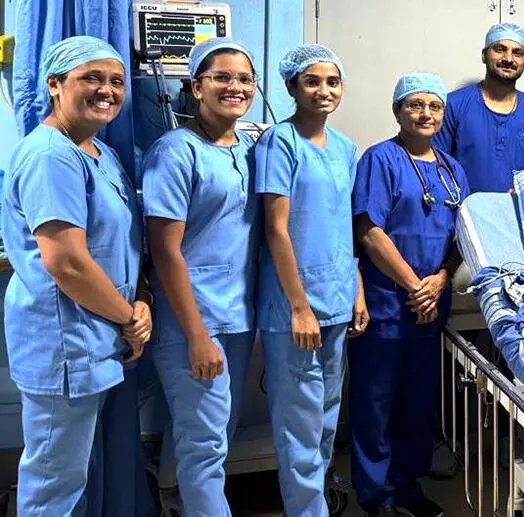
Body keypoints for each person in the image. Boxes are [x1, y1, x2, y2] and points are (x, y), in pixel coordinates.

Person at [3, 35, 153, 517]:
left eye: (116, 81)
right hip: (64, 342)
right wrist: (128, 317)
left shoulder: (99, 153)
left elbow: (122, 246)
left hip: (98, 334)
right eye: (91, 78)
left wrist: (141, 299)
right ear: (54, 84)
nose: (107, 90)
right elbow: (66, 263)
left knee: (78, 477)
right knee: (55, 486)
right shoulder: (50, 155)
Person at [141, 37, 260, 516]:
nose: (235, 87)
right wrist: (195, 334)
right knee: (206, 444)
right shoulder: (174, 152)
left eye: (245, 79)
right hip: (194, 318)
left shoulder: (250, 148)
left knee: (215, 432)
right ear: (196, 87)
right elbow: (164, 250)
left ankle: (175, 498)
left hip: (238, 314)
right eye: (222, 77)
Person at [255, 43, 370, 516]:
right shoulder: (278, 143)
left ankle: (316, 502)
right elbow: (276, 229)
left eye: (333, 81)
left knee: (325, 418)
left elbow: (342, 225)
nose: (324, 90)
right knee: (299, 425)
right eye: (312, 81)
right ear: (292, 87)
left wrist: (356, 290)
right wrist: (299, 306)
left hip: (337, 297)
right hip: (295, 305)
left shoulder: (345, 148)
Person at [350, 72, 470, 517]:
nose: (425, 114)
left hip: (430, 306)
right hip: (387, 305)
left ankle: (406, 488)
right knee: (375, 403)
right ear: (397, 111)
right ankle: (376, 497)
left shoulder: (452, 169)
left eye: (434, 106)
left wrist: (441, 278)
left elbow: (464, 235)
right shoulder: (380, 159)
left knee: (417, 403)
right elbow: (369, 231)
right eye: (415, 105)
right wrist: (415, 285)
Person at [433, 23, 524, 192]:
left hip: (519, 209)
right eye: (500, 49)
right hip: (462, 207)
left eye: (517, 53)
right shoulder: (453, 105)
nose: (508, 59)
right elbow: (435, 166)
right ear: (484, 55)